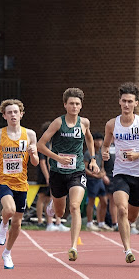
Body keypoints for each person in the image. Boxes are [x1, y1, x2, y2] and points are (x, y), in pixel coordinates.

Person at [38, 87, 97, 261]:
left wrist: (92, 159)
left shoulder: (84, 122)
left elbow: (90, 139)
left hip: (77, 171)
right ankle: (52, 206)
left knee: (74, 206)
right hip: (57, 171)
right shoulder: (58, 123)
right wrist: (57, 158)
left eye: (77, 104)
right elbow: (41, 145)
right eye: (71, 103)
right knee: (59, 212)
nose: (74, 106)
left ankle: (73, 246)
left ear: (81, 106)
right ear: (65, 105)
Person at [0, 99, 39, 269]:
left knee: (18, 223)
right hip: (4, 180)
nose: (13, 115)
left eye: (16, 112)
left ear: (21, 114)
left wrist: (34, 153)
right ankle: (3, 224)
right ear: (4, 116)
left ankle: (7, 253)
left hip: (21, 182)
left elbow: (35, 163)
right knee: (9, 210)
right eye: (9, 112)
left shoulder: (30, 134)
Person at [101, 83, 139, 264]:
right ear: (119, 102)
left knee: (131, 216)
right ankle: (127, 250)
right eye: (124, 101)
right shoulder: (111, 124)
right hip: (120, 173)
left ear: (136, 103)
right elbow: (106, 145)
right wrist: (105, 152)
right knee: (121, 210)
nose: (126, 105)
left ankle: (128, 229)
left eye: (130, 101)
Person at [86, 132, 111, 232]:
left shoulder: (101, 152)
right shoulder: (88, 153)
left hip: (100, 180)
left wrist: (103, 174)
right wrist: (94, 175)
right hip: (92, 180)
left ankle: (101, 223)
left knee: (104, 201)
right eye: (97, 140)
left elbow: (102, 167)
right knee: (91, 202)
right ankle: (89, 223)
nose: (99, 142)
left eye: (100, 140)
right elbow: (84, 167)